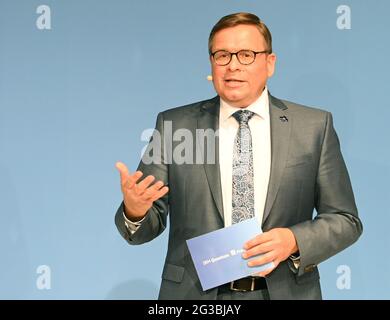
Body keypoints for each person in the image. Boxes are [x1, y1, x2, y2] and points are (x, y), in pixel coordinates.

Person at [114, 12, 363, 300]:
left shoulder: (313, 127)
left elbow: (345, 219)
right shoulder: (175, 126)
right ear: (211, 63)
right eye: (222, 55)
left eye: (246, 54)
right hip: (196, 295)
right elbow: (142, 228)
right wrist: (135, 211)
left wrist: (293, 240)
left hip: (283, 292)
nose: (233, 65)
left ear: (270, 63)